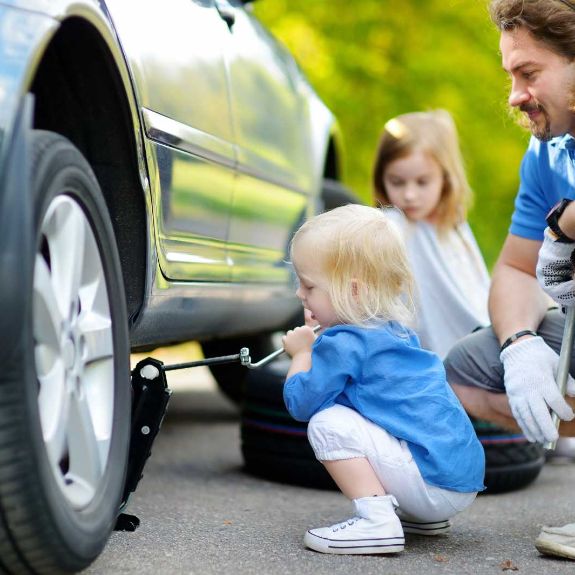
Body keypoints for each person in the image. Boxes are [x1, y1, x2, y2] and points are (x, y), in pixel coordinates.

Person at [442, 0, 575, 559]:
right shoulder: (546, 153)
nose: (516, 96)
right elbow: (517, 270)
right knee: (468, 373)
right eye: (510, 75)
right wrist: (521, 347)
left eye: (529, 73)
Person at [281, 204, 484, 555]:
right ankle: (421, 516)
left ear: (353, 291)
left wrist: (302, 354)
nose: (300, 293)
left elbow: (300, 404)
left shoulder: (344, 342)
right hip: (458, 481)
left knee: (326, 423)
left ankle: (377, 522)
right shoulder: (395, 333)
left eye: (309, 285)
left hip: (432, 484)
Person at [372, 109, 490, 359]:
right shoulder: (390, 226)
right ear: (382, 179)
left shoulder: (453, 227)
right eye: (397, 182)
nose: (409, 195)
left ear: (445, 179)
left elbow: (475, 288)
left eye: (422, 182)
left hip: (467, 350)